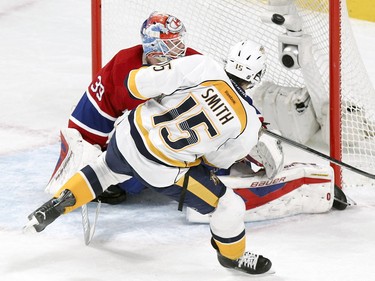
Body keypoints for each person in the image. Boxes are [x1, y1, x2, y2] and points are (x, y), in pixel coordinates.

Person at [25, 40, 275, 275]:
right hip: (161, 169)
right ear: (257, 77)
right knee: (229, 205)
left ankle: (59, 203)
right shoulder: (249, 125)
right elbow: (214, 162)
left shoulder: (202, 65)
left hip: (127, 137)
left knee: (104, 169)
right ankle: (232, 256)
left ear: (227, 60)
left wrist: (164, 97)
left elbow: (137, 83)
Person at [45, 11, 201, 204]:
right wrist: (87, 156)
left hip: (185, 144)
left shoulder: (196, 64)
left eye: (179, 41)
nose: (179, 48)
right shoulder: (124, 65)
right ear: (153, 47)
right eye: (171, 43)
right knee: (129, 182)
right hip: (150, 145)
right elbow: (91, 115)